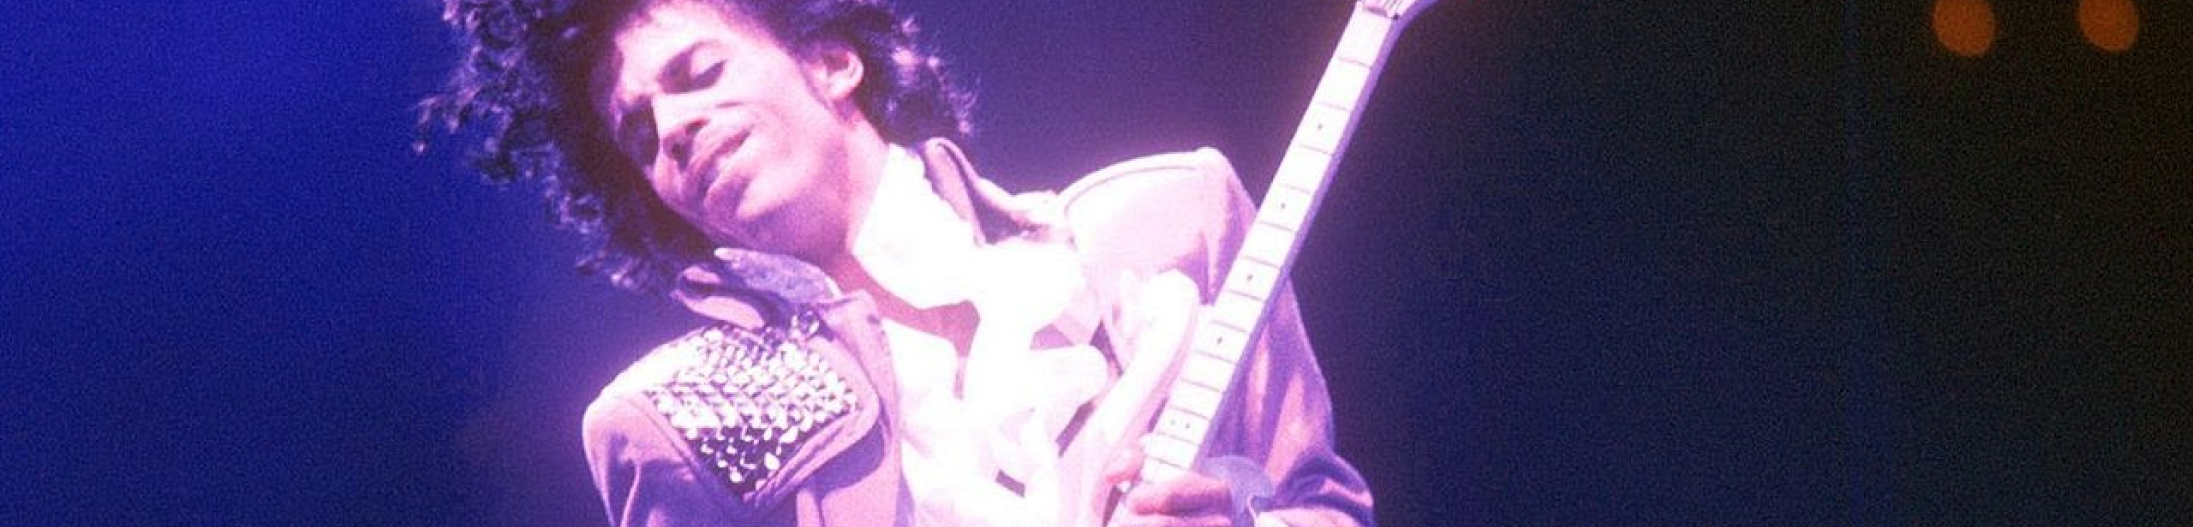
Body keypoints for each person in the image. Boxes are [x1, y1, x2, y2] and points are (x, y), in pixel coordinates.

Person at [418, 0, 1374, 525]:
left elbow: (1323, 504)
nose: (671, 128)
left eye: (698, 74)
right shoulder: (671, 425)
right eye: (638, 134)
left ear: (832, 63)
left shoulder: (1167, 220)